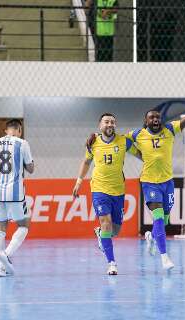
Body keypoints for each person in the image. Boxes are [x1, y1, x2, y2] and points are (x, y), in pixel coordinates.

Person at [125, 86, 185, 270]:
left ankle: (151, 237)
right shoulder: (137, 134)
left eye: (157, 117)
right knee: (159, 219)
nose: (155, 119)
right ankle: (165, 258)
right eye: (151, 118)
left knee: (165, 219)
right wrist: (98, 140)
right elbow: (119, 142)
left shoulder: (170, 129)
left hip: (168, 183)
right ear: (145, 121)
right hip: (149, 183)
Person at [73, 113, 141, 275]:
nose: (110, 124)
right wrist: (79, 181)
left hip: (118, 190)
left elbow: (140, 154)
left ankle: (100, 234)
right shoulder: (94, 142)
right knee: (106, 223)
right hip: (99, 189)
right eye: (106, 122)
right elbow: (87, 162)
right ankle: (112, 263)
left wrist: (154, 161)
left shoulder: (124, 141)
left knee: (114, 231)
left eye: (112, 122)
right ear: (100, 125)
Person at [0, 119, 34, 277]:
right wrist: (26, 163)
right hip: (15, 193)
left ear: (6, 130)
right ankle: (7, 254)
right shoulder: (22, 143)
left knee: (0, 227)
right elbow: (30, 169)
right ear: (19, 130)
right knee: (24, 225)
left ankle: (1, 268)